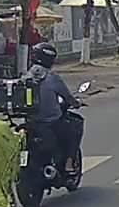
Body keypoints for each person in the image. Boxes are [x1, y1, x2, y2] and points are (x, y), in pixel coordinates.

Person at [26, 42, 81, 174]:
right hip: (51, 122)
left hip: (31, 122)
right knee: (75, 126)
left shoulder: (25, 76)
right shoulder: (52, 78)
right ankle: (68, 164)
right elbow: (68, 97)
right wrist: (76, 103)